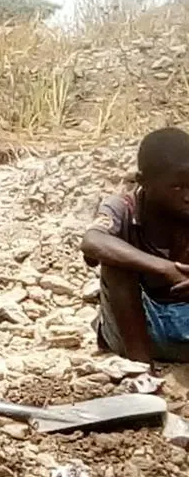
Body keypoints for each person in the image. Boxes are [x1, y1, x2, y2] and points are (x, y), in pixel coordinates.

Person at [81, 126, 189, 363]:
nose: (187, 195)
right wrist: (165, 269)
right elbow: (92, 242)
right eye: (177, 186)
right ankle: (141, 369)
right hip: (139, 334)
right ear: (144, 182)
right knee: (116, 257)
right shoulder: (124, 207)